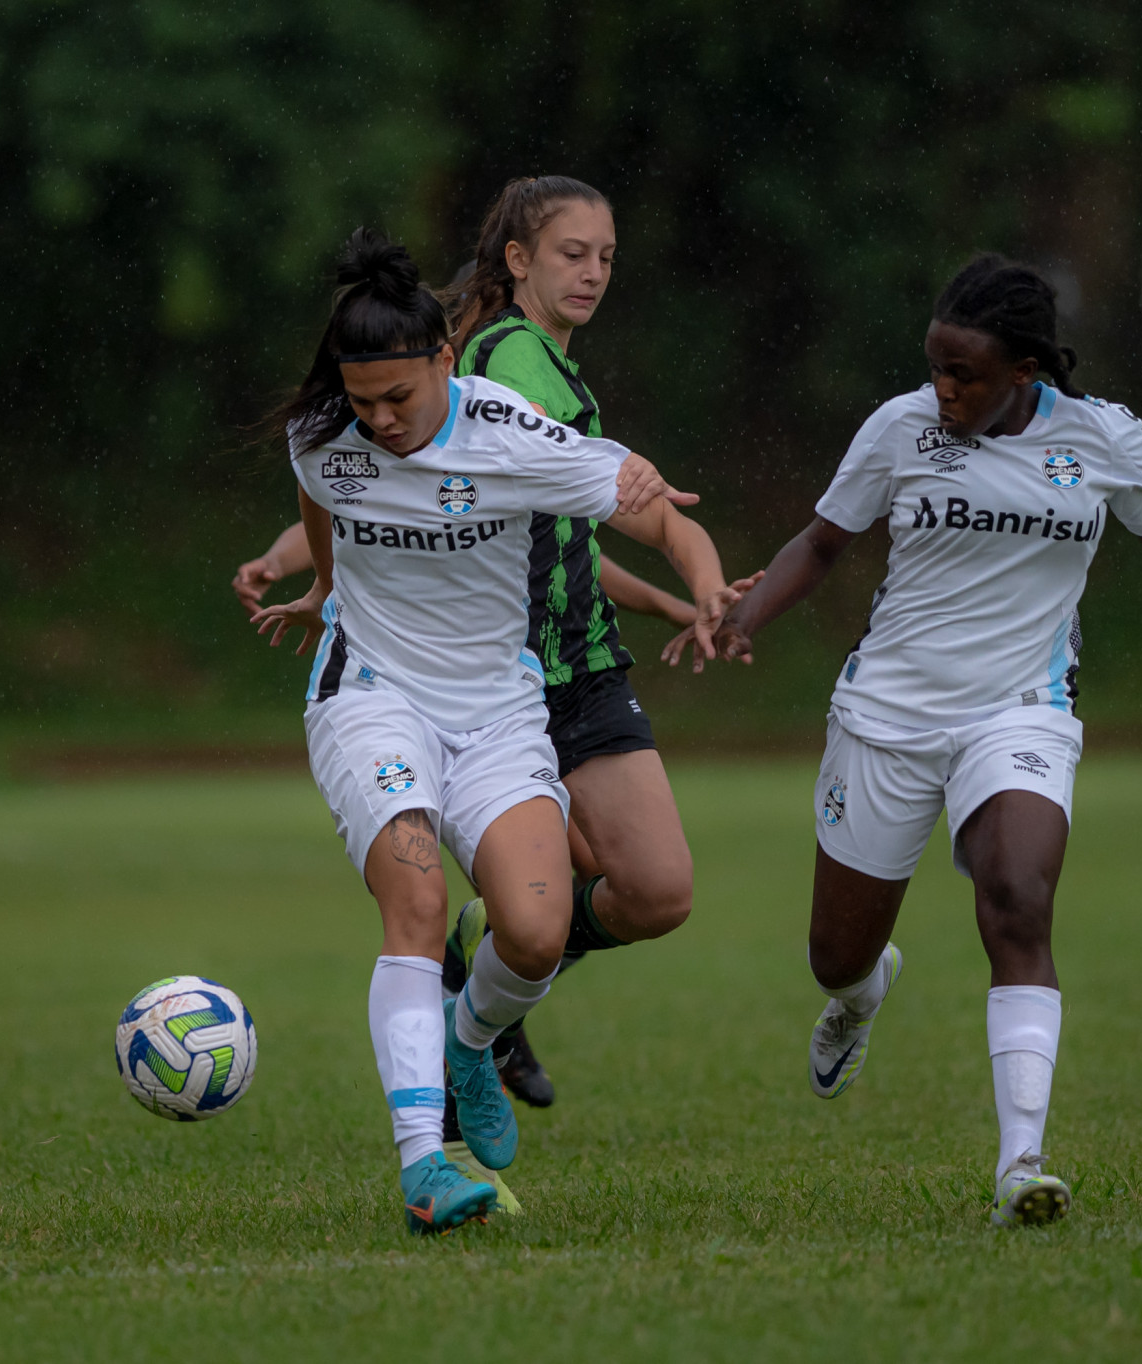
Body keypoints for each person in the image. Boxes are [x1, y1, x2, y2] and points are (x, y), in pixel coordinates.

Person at [235, 177, 756, 1138]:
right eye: (572, 252)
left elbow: (623, 522)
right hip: (405, 689)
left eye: (606, 255)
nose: (380, 420)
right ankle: (422, 1153)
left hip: (525, 688)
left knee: (594, 907)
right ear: (517, 262)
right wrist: (314, 580)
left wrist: (702, 578)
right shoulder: (356, 423)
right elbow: (326, 486)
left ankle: (473, 1029)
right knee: (424, 901)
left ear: (440, 362)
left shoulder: (511, 420)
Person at [708, 254, 1142, 1229]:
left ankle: (1021, 1159)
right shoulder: (899, 429)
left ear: (1025, 369)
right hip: (884, 717)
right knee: (833, 954)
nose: (942, 389)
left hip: (1017, 709)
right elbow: (820, 542)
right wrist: (743, 616)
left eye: (963, 373)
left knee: (1016, 895)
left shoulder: (1103, 442)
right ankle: (858, 997)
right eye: (934, 367)